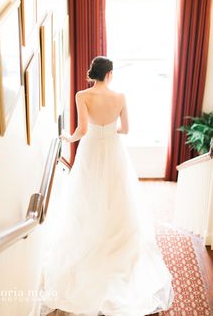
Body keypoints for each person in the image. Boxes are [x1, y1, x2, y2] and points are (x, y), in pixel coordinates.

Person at [39, 56, 174, 316]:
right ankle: (117, 244)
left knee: (87, 195)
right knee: (116, 195)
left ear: (94, 74)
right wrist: (110, 131)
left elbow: (81, 129)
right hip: (113, 149)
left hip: (90, 150)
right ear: (110, 74)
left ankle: (91, 237)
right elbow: (126, 129)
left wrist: (69, 137)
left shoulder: (82, 95)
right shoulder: (120, 97)